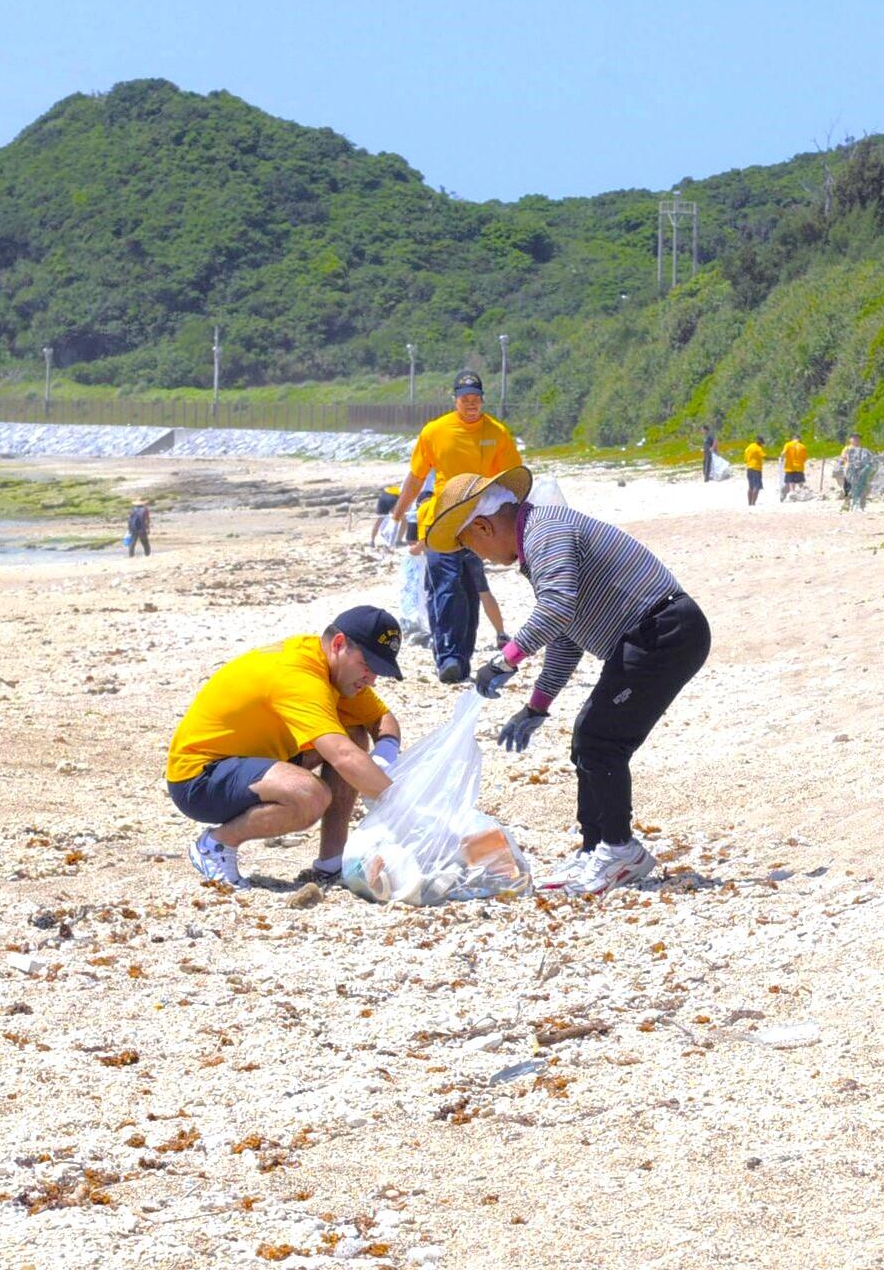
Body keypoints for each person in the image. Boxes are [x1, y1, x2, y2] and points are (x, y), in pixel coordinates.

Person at [427, 467, 712, 897]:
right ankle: (595, 847)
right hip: (649, 636)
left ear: (483, 526)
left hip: (664, 632)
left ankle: (621, 851)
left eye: (471, 545)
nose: (480, 557)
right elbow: (566, 634)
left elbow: (558, 608)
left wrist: (505, 661)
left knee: (600, 738)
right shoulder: (538, 539)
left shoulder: (546, 532)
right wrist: (537, 706)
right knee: (589, 738)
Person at [166, 606, 405, 888]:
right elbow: (342, 757)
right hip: (199, 779)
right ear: (339, 644)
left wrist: (384, 757)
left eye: (379, 671)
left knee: (353, 734)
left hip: (250, 759)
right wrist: (403, 807)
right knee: (310, 796)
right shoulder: (300, 677)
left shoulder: (329, 664)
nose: (372, 679)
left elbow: (382, 719)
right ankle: (216, 845)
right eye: (368, 667)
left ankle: (331, 863)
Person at [390, 371, 522, 682]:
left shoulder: (497, 432)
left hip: (480, 523)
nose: (471, 403)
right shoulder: (435, 431)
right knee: (445, 587)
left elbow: (512, 479)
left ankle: (462, 655)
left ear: (482, 399)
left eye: (475, 397)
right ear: (455, 399)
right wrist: (400, 509)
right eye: (465, 398)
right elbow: (417, 476)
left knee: (468, 588)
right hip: (441, 520)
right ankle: (448, 657)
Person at [837, 434, 872, 512]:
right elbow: (843, 457)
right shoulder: (847, 448)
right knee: (847, 486)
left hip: (860, 470)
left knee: (861, 487)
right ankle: (847, 503)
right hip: (849, 469)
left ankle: (860, 505)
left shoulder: (862, 449)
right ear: (850, 439)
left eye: (858, 438)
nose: (856, 440)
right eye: (854, 438)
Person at [781, 433, 810, 502]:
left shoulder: (788, 444)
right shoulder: (803, 446)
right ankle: (803, 494)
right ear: (799, 439)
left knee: (791, 481)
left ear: (793, 438)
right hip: (799, 467)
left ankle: (792, 493)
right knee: (800, 482)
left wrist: (782, 459)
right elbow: (805, 459)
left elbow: (783, 453)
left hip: (790, 467)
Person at [743, 435, 766, 506]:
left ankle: (749, 503)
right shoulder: (758, 448)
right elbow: (765, 457)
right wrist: (776, 459)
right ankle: (753, 503)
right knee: (757, 486)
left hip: (749, 468)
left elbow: (745, 456)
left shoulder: (749, 446)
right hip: (756, 468)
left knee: (750, 486)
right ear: (760, 442)